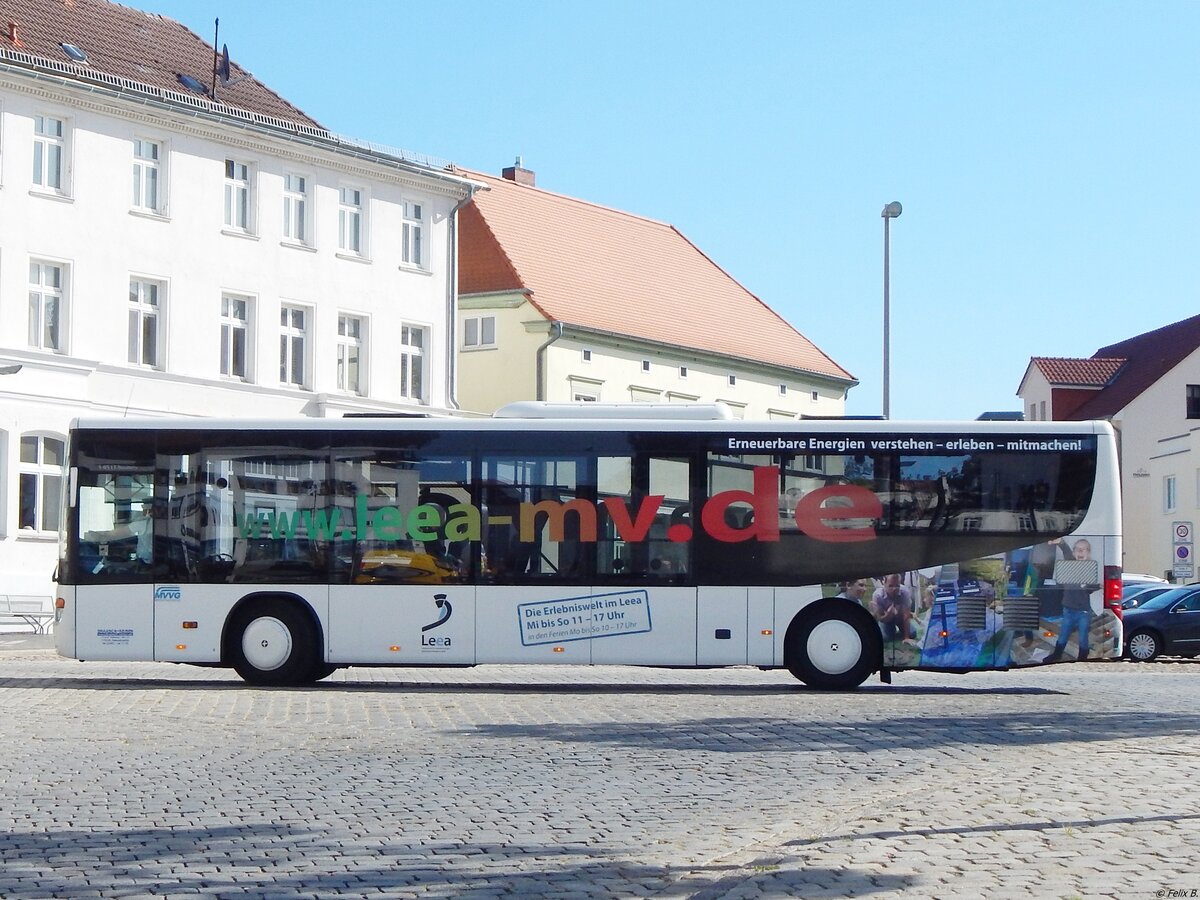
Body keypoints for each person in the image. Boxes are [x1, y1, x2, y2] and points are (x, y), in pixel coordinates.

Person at [1047, 538, 1097, 662]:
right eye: (1077, 549)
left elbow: (1090, 588)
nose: (1080, 551)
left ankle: (1082, 658)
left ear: (1088, 553)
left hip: (1083, 612)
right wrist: (1059, 542)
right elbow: (1066, 550)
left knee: (1083, 638)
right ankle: (1057, 655)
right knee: (1063, 635)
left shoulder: (1089, 568)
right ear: (1074, 553)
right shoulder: (1070, 563)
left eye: (1083, 549)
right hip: (1068, 610)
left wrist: (1093, 586)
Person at [870, 574, 915, 642]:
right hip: (886, 621)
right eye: (891, 586)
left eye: (897, 586)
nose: (894, 589)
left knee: (912, 633)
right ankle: (892, 629)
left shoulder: (905, 592)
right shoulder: (877, 595)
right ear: (884, 583)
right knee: (885, 638)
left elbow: (906, 615)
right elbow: (880, 618)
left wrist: (906, 637)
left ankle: (896, 629)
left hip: (901, 618)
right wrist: (888, 614)